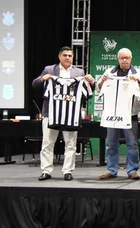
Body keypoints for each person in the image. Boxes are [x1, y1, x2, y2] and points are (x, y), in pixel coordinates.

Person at [32, 46, 95, 181]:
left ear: (73, 58)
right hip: (51, 113)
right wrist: (43, 79)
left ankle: (67, 171)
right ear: (59, 56)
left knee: (71, 144)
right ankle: (46, 170)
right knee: (48, 143)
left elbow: (87, 95)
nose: (67, 57)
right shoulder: (49, 70)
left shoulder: (79, 73)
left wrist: (91, 82)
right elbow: (34, 84)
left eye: (70, 56)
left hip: (71, 115)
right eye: (65, 55)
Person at [97, 48, 140, 180]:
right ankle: (111, 170)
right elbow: (99, 88)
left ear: (131, 58)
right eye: (122, 58)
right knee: (111, 143)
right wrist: (102, 81)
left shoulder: (137, 72)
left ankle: (132, 170)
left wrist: (139, 80)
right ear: (118, 59)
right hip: (112, 114)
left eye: (127, 57)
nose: (124, 60)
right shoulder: (109, 72)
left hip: (130, 114)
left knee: (132, 144)